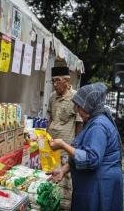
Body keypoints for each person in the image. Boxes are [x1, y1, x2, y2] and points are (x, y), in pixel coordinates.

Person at [48, 82, 123, 211]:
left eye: (79, 106)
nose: (77, 110)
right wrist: (63, 170)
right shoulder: (93, 120)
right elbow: (83, 150)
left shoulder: (98, 126)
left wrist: (63, 145)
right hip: (94, 181)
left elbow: (91, 158)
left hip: (100, 184)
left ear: (89, 106)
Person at [47, 63, 82, 209]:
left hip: (66, 148)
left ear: (67, 81)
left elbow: (79, 124)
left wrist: (76, 146)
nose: (55, 84)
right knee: (50, 177)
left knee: (66, 183)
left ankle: (65, 207)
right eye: (53, 81)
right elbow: (50, 119)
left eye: (57, 80)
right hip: (51, 147)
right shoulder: (52, 97)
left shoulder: (76, 98)